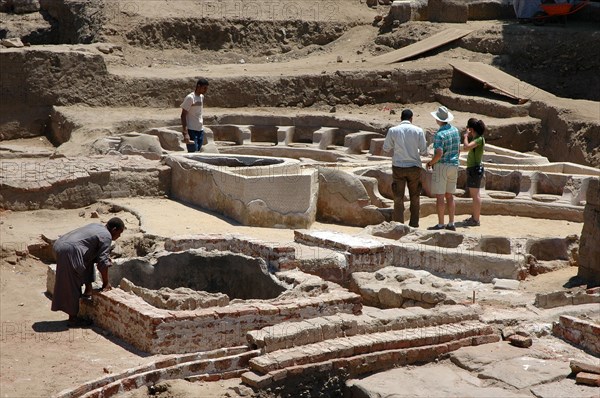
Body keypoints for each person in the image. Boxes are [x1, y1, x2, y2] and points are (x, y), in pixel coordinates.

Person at [51, 217, 125, 327]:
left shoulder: (97, 226)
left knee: (88, 259)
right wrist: (106, 283)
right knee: (73, 282)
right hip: (69, 250)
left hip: (60, 245)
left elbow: (91, 253)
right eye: (119, 233)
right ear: (114, 229)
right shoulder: (107, 236)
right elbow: (103, 264)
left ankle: (88, 290)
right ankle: (72, 319)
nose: (119, 236)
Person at [382, 109, 428, 228]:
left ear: (401, 118)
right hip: (414, 167)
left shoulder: (393, 130)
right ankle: (414, 224)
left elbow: (386, 148)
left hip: (398, 167)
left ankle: (398, 225)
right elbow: (424, 151)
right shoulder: (418, 131)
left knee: (398, 197)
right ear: (411, 118)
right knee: (415, 196)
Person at [426, 106, 460, 231]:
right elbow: (458, 149)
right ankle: (451, 223)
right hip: (454, 164)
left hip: (442, 165)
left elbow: (439, 153)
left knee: (440, 196)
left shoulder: (440, 134)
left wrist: (431, 163)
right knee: (450, 196)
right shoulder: (455, 130)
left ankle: (441, 224)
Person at [462, 118, 486, 227]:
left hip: (474, 170)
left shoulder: (478, 140)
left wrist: (465, 137)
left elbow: (466, 147)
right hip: (474, 169)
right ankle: (474, 217)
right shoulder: (478, 139)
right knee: (475, 195)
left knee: (475, 196)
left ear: (471, 129)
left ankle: (476, 220)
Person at [180, 78, 209, 152]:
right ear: (198, 86)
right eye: (204, 88)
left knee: (198, 151)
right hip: (191, 130)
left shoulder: (201, 97)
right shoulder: (190, 98)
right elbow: (183, 115)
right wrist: (185, 133)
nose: (205, 90)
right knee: (193, 152)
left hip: (200, 129)